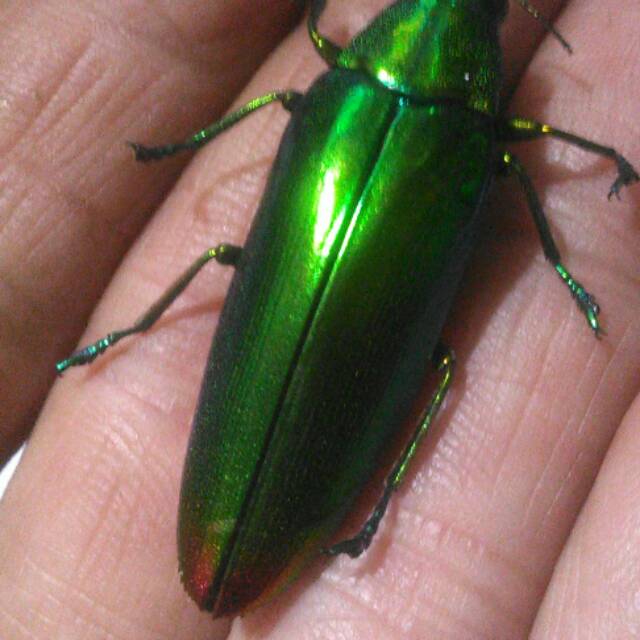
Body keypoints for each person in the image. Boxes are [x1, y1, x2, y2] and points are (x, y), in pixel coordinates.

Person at [0, 1, 638, 638]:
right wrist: (571, 239)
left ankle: (133, 333)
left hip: (298, 382)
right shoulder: (474, 147)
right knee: (442, 369)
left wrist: (189, 143)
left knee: (227, 256)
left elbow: (314, 32)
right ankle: (374, 506)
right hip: (322, 405)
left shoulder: (342, 93)